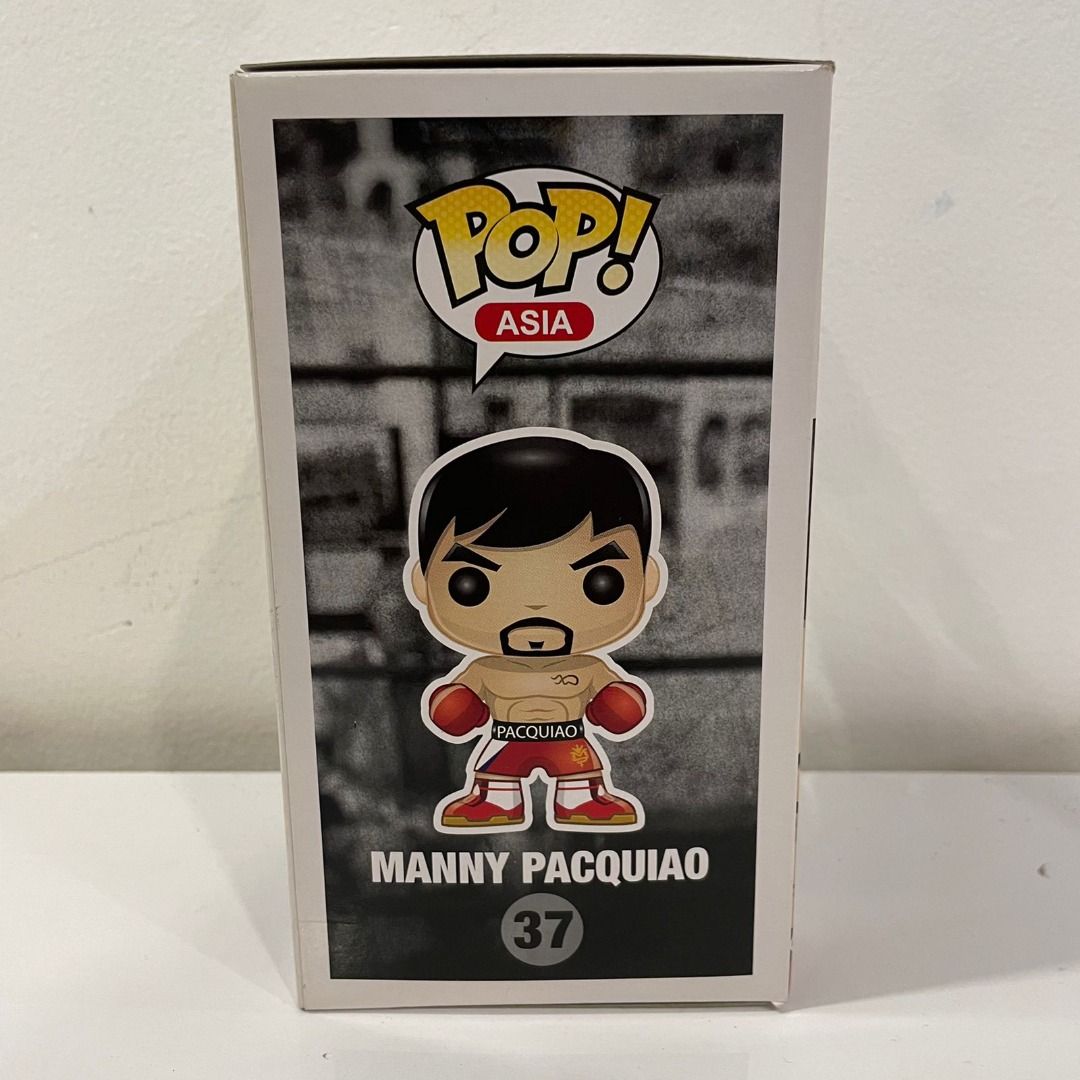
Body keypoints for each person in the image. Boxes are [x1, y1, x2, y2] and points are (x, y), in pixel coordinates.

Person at [404, 429, 666, 832]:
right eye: (471, 584)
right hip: (506, 737)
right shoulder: (485, 669)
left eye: (600, 582)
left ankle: (581, 799)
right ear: (423, 584)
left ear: (647, 581)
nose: (535, 610)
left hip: (570, 739)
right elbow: (455, 707)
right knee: (496, 782)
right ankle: (496, 800)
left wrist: (617, 703)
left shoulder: (590, 667)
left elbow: (620, 705)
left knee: (580, 782)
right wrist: (458, 705)